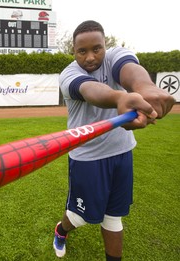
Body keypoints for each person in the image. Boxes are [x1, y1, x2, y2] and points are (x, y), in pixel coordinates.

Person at [53, 20, 175, 261]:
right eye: (82, 51)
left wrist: (144, 87)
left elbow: (130, 70)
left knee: (113, 216)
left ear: (105, 45)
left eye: (96, 48)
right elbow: (90, 90)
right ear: (74, 52)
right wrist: (121, 97)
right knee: (79, 216)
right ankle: (61, 229)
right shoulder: (69, 74)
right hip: (87, 157)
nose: (90, 57)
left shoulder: (116, 55)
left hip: (121, 152)